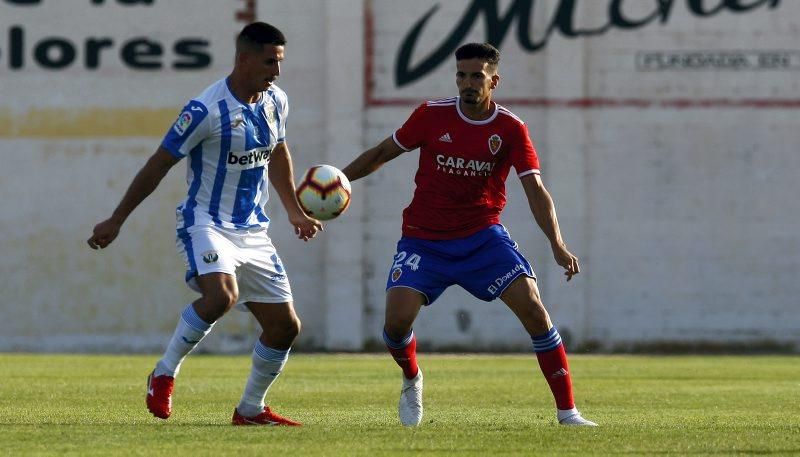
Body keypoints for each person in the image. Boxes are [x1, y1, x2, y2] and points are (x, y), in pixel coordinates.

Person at [341, 43, 596, 427]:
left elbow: (535, 189)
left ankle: (568, 413)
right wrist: (337, 183)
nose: (467, 83)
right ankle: (412, 379)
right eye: (462, 74)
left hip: (482, 237)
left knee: (534, 309)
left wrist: (557, 244)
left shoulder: (510, 128)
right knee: (395, 325)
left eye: (477, 75)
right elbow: (381, 153)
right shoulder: (431, 115)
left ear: (494, 80)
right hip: (424, 239)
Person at [87, 22, 322, 426]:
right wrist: (118, 217)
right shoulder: (205, 110)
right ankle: (163, 373)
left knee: (285, 327)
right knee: (220, 297)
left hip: (252, 230)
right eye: (269, 62)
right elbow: (158, 165)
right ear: (244, 59)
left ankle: (250, 410)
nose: (276, 72)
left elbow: (278, 152)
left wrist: (294, 209)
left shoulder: (276, 101)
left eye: (280, 62)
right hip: (206, 222)